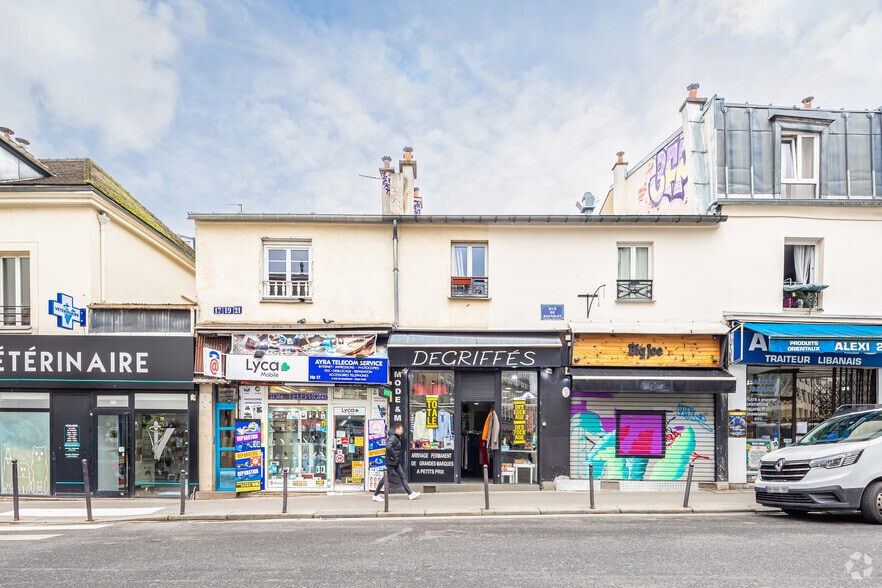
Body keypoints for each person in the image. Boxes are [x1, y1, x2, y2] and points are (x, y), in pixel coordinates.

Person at [372, 423, 420, 501]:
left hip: (395, 462)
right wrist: (394, 456)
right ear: (397, 429)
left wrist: (395, 458)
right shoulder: (393, 437)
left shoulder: (395, 437)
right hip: (392, 461)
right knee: (385, 478)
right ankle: (376, 495)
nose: (402, 431)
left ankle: (410, 493)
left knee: (402, 476)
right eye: (401, 429)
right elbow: (388, 446)